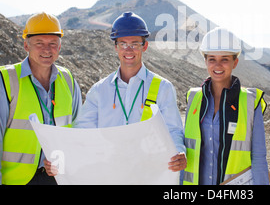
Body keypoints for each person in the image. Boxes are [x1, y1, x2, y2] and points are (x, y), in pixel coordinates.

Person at [73, 11, 187, 174]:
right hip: (110, 174)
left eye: (134, 44)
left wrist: (177, 152)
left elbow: (173, 130)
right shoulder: (99, 90)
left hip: (148, 174)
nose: (128, 50)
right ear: (115, 47)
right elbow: (83, 132)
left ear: (145, 46)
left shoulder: (162, 87)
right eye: (123, 44)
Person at [0, 12, 82, 185]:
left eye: (53, 43)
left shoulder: (68, 80)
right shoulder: (5, 80)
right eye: (39, 43)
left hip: (58, 178)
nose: (47, 49)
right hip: (16, 181)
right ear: (26, 46)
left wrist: (65, 163)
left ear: (59, 47)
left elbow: (77, 132)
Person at [182, 27, 269, 185]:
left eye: (225, 59)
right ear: (205, 61)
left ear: (235, 62)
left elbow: (259, 158)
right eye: (212, 59)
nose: (218, 65)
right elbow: (185, 151)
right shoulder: (193, 98)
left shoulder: (250, 102)